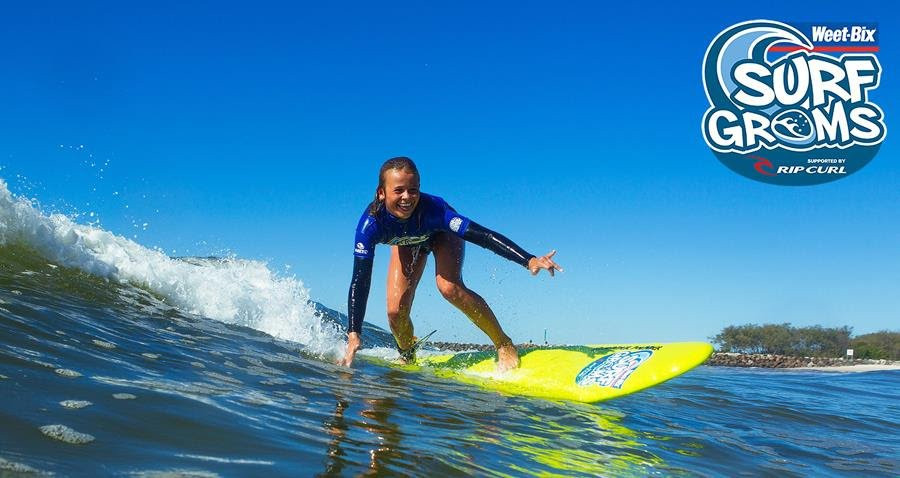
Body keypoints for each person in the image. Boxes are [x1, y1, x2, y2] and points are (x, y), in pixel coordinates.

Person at [338, 157, 562, 371]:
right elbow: (360, 279)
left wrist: (527, 259)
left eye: (413, 189)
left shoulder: (436, 212)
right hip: (407, 244)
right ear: (381, 193)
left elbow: (482, 235)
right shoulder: (370, 225)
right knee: (396, 313)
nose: (407, 197)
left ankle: (503, 344)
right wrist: (354, 333)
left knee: (449, 287)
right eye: (398, 190)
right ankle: (407, 356)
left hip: (442, 235)